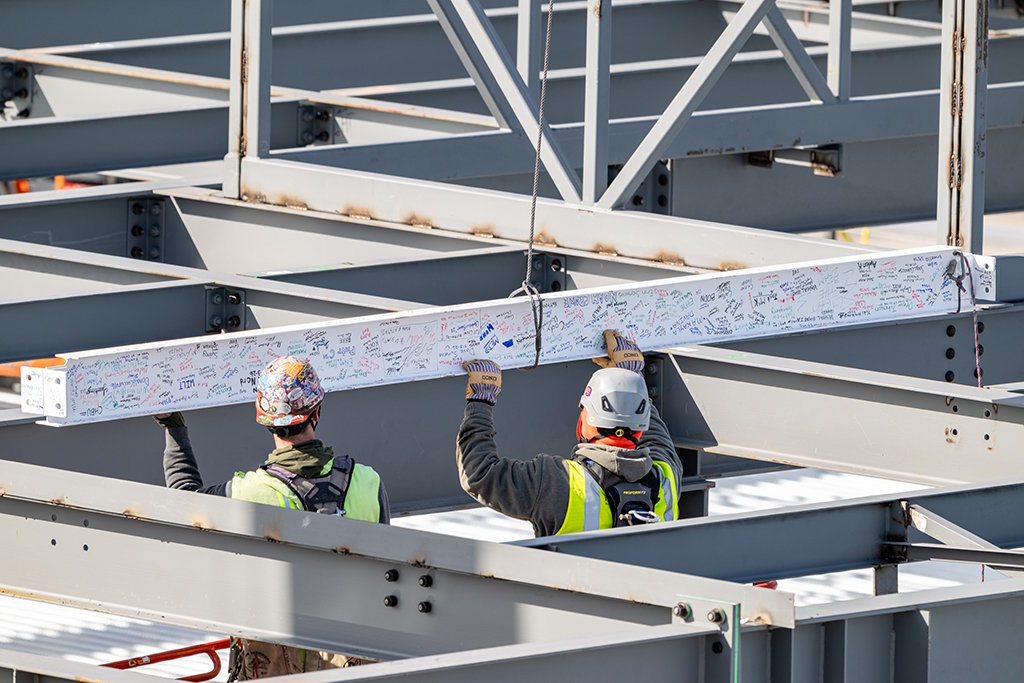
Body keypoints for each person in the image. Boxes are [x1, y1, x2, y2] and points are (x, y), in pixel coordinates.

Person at [155, 355, 389, 679]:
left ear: (265, 419)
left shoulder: (252, 493)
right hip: (355, 659)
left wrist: (173, 425)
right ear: (316, 412)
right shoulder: (368, 483)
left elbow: (183, 497)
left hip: (274, 663)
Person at [457, 329, 683, 537]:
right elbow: (657, 437)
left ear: (583, 421)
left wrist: (481, 400)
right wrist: (631, 379)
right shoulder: (666, 478)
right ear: (640, 427)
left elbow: (480, 475)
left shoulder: (557, 483)